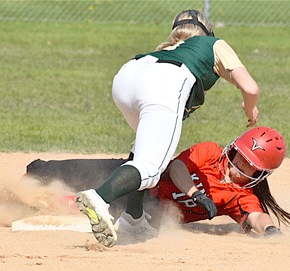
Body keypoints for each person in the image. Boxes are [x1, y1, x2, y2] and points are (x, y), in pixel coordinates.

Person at [75, 9, 260, 247]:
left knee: (142, 150)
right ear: (207, 31)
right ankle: (99, 198)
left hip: (128, 75)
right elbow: (251, 88)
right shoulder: (213, 43)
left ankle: (133, 219)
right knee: (151, 167)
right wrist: (249, 107)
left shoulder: (168, 49)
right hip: (165, 81)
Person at [115, 126, 289, 238]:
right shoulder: (211, 152)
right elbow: (176, 168)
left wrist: (270, 230)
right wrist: (195, 194)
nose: (240, 161)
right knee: (91, 176)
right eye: (240, 153)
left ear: (260, 172)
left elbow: (257, 216)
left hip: (149, 214)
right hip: (141, 183)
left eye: (249, 163)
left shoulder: (242, 196)